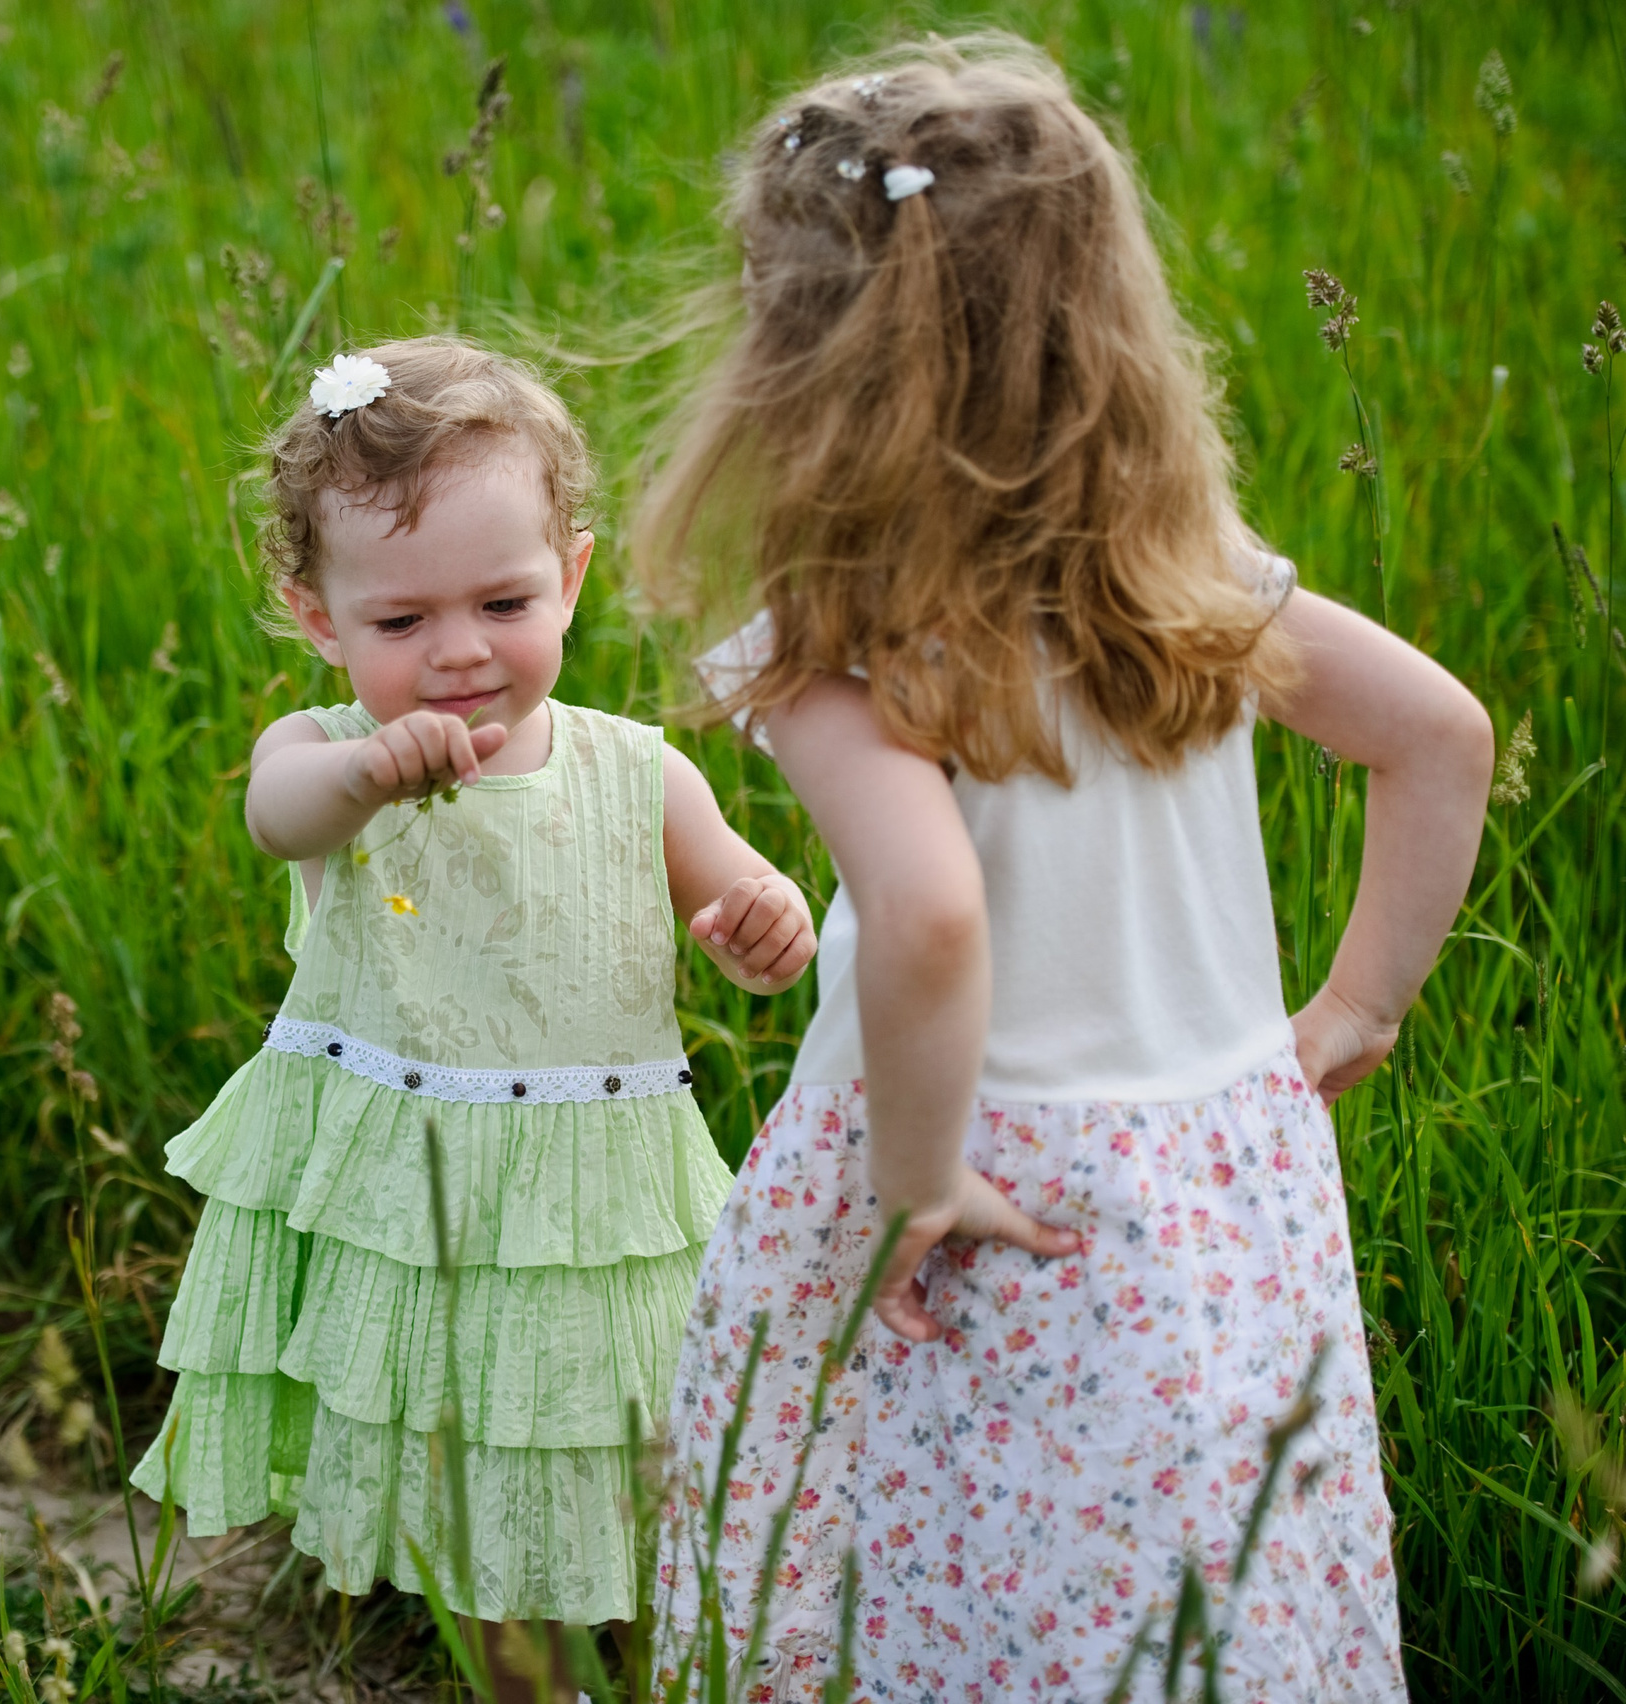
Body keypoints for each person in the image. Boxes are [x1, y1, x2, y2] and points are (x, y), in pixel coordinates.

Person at [634, 36, 1490, 1703]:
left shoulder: (835, 645)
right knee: (1180, 1590)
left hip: (983, 1179)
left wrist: (913, 1180)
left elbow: (935, 912)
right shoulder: (1196, 580)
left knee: (920, 1563)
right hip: (1215, 1189)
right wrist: (1360, 1001)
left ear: (803, 376)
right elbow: (1440, 740)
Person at [130, 336, 817, 1701]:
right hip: (420, 1210)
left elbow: (743, 905)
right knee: (491, 1522)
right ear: (319, 615)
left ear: (570, 573)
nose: (458, 654)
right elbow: (281, 822)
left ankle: (670, 1660)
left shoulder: (640, 773)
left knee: (642, 1480)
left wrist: (764, 927)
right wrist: (369, 771)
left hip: (595, 1214)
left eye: (503, 603)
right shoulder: (320, 756)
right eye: (401, 624)